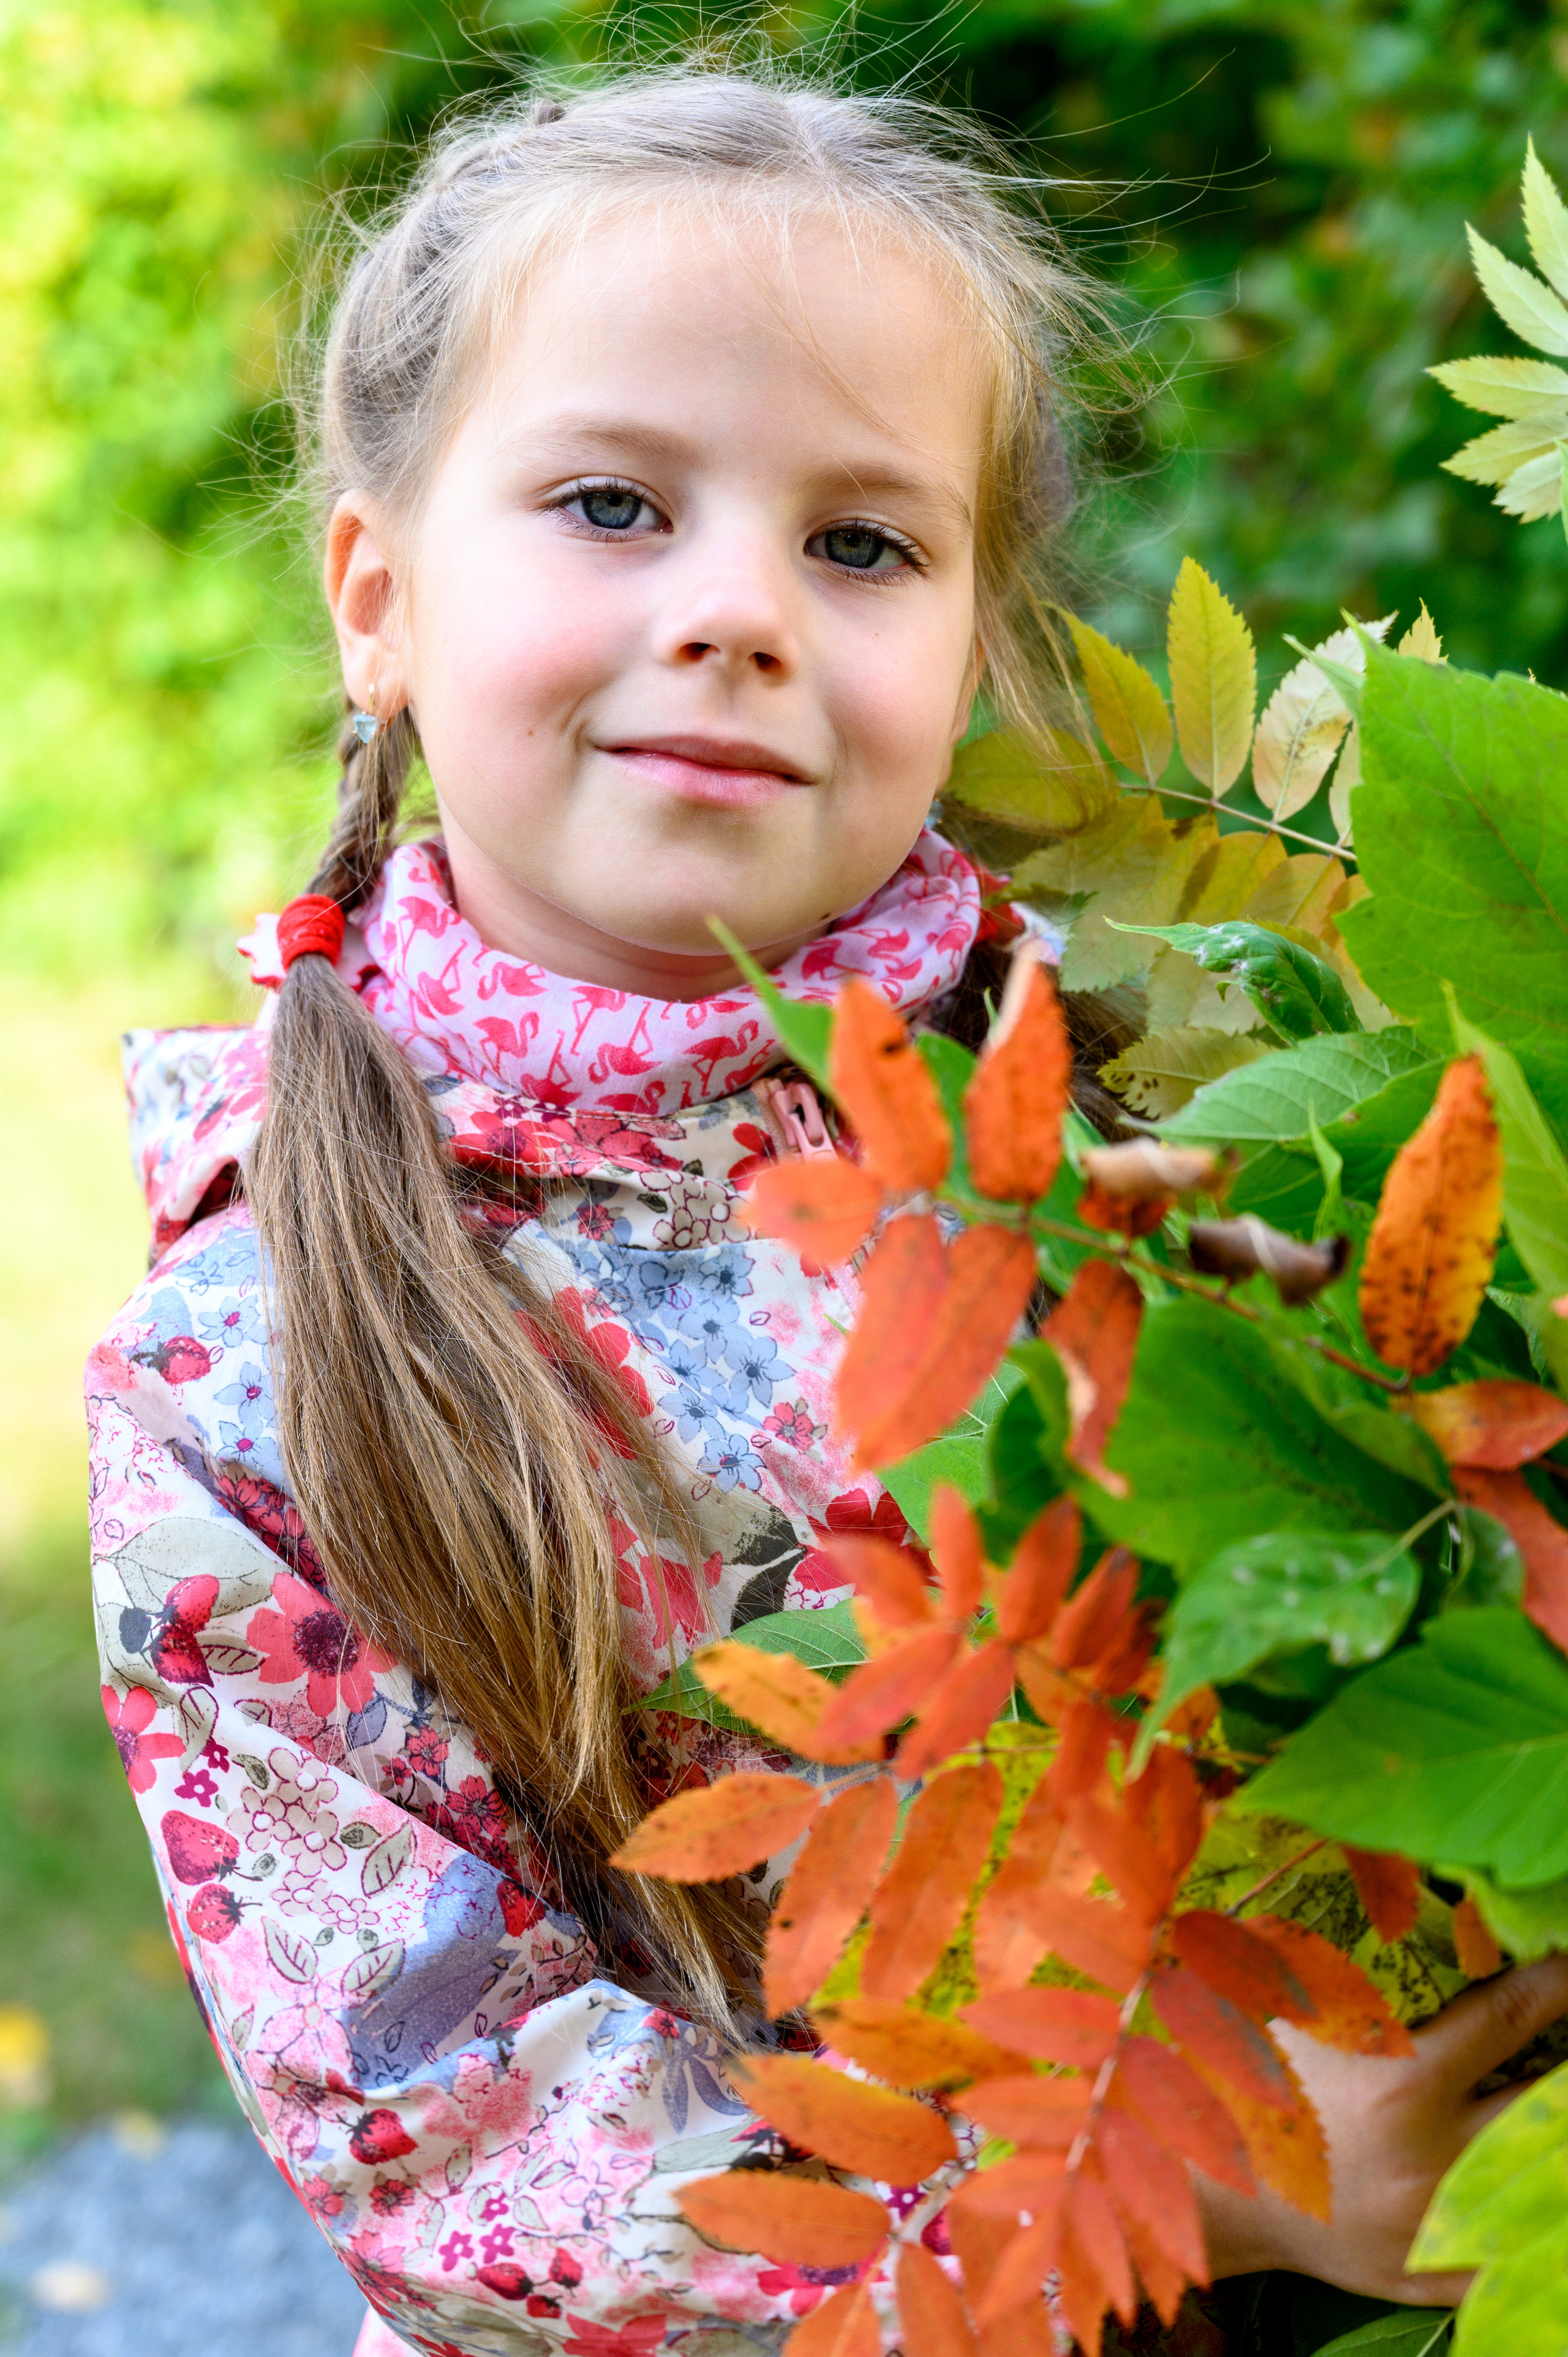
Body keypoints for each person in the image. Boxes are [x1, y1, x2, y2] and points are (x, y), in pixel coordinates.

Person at [87, 65, 1568, 2357]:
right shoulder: (244, 1373)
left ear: (975, 657)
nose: (742, 610)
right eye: (611, 502)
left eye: (862, 543)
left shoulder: (1190, 1105)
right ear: (375, 594)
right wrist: (1230, 2170)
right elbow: (457, 2138)